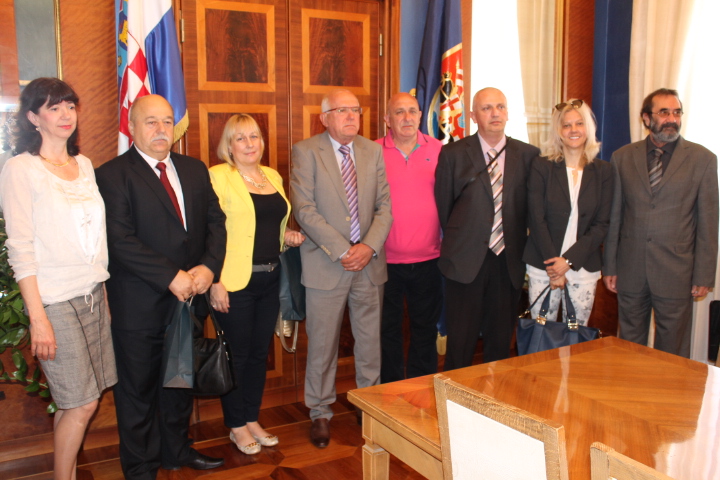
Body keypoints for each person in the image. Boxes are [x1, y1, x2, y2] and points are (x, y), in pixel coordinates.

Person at [95, 94, 227, 478]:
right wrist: (171, 276)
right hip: (139, 304)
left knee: (179, 383)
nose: (160, 129)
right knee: (137, 392)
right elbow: (119, 240)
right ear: (131, 127)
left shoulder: (194, 169)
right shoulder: (112, 174)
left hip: (188, 302)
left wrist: (209, 268)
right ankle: (141, 468)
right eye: (150, 121)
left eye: (167, 121)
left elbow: (216, 224)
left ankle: (176, 451)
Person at [0, 77, 116, 480]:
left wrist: (103, 297)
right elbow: (21, 249)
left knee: (78, 401)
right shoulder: (21, 169)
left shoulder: (84, 165)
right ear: (34, 118)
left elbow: (95, 240)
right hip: (53, 301)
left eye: (69, 105)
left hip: (92, 296)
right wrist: (39, 319)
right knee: (82, 402)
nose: (66, 114)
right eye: (54, 107)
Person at [290, 89, 392, 448]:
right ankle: (320, 411)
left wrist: (368, 247)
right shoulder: (306, 151)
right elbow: (304, 210)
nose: (351, 116)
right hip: (326, 263)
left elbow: (384, 207)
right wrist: (343, 249)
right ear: (325, 118)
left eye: (355, 110)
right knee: (322, 344)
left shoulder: (372, 151)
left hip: (369, 264)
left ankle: (370, 406)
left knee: (370, 343)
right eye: (342, 110)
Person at [208, 114, 305, 454]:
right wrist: (216, 281)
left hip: (270, 278)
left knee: (258, 355)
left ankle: (251, 417)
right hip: (233, 282)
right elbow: (210, 232)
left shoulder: (272, 176)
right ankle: (236, 425)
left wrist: (286, 235)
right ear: (229, 145)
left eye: (254, 136)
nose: (250, 144)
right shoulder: (218, 177)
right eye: (241, 138)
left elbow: (266, 224)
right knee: (237, 355)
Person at [603, 88, 718, 358]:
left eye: (677, 112)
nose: (672, 119)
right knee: (628, 348)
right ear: (646, 118)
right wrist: (610, 266)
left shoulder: (703, 159)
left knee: (673, 353)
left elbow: (708, 222)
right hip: (630, 269)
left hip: (677, 272)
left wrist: (703, 275)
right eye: (664, 112)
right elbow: (615, 216)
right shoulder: (622, 157)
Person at [435, 87, 540, 368]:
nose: (495, 113)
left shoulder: (529, 154)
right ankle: (454, 395)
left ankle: (495, 395)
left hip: (508, 261)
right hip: (465, 261)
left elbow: (532, 210)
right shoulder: (453, 154)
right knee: (460, 344)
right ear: (473, 116)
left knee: (500, 343)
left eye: (500, 107)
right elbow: (445, 208)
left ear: (507, 113)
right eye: (487, 108)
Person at [523, 99, 613, 324]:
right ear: (558, 131)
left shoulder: (604, 171)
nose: (574, 130)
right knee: (541, 334)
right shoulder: (541, 166)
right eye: (566, 125)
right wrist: (554, 267)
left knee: (576, 333)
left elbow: (602, 224)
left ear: (588, 128)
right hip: (544, 264)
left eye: (579, 123)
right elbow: (536, 218)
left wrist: (568, 261)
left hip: (584, 265)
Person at [376, 92, 442, 382]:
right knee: (385, 330)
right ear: (387, 119)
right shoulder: (371, 152)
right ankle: (388, 392)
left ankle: (423, 389)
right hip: (382, 261)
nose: (407, 118)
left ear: (420, 115)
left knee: (425, 329)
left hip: (429, 259)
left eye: (412, 111)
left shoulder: (440, 150)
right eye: (399, 112)